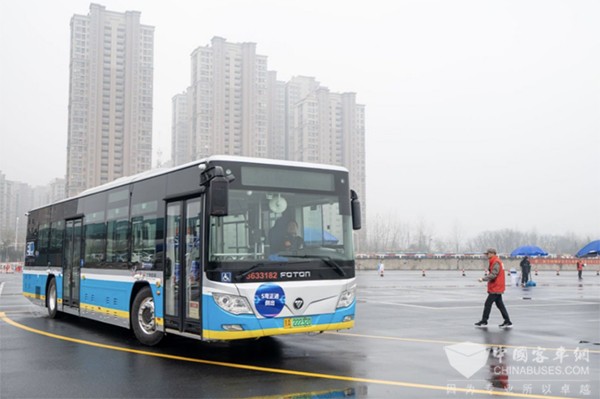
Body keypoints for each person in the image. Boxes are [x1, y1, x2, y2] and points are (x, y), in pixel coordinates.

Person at [475, 248, 513, 328]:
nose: (487, 255)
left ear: (492, 253)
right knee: (500, 305)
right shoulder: (495, 261)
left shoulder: (496, 262)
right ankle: (507, 321)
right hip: (497, 286)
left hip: (496, 287)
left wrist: (483, 279)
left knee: (488, 304)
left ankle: (484, 320)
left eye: (488, 254)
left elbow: (494, 274)